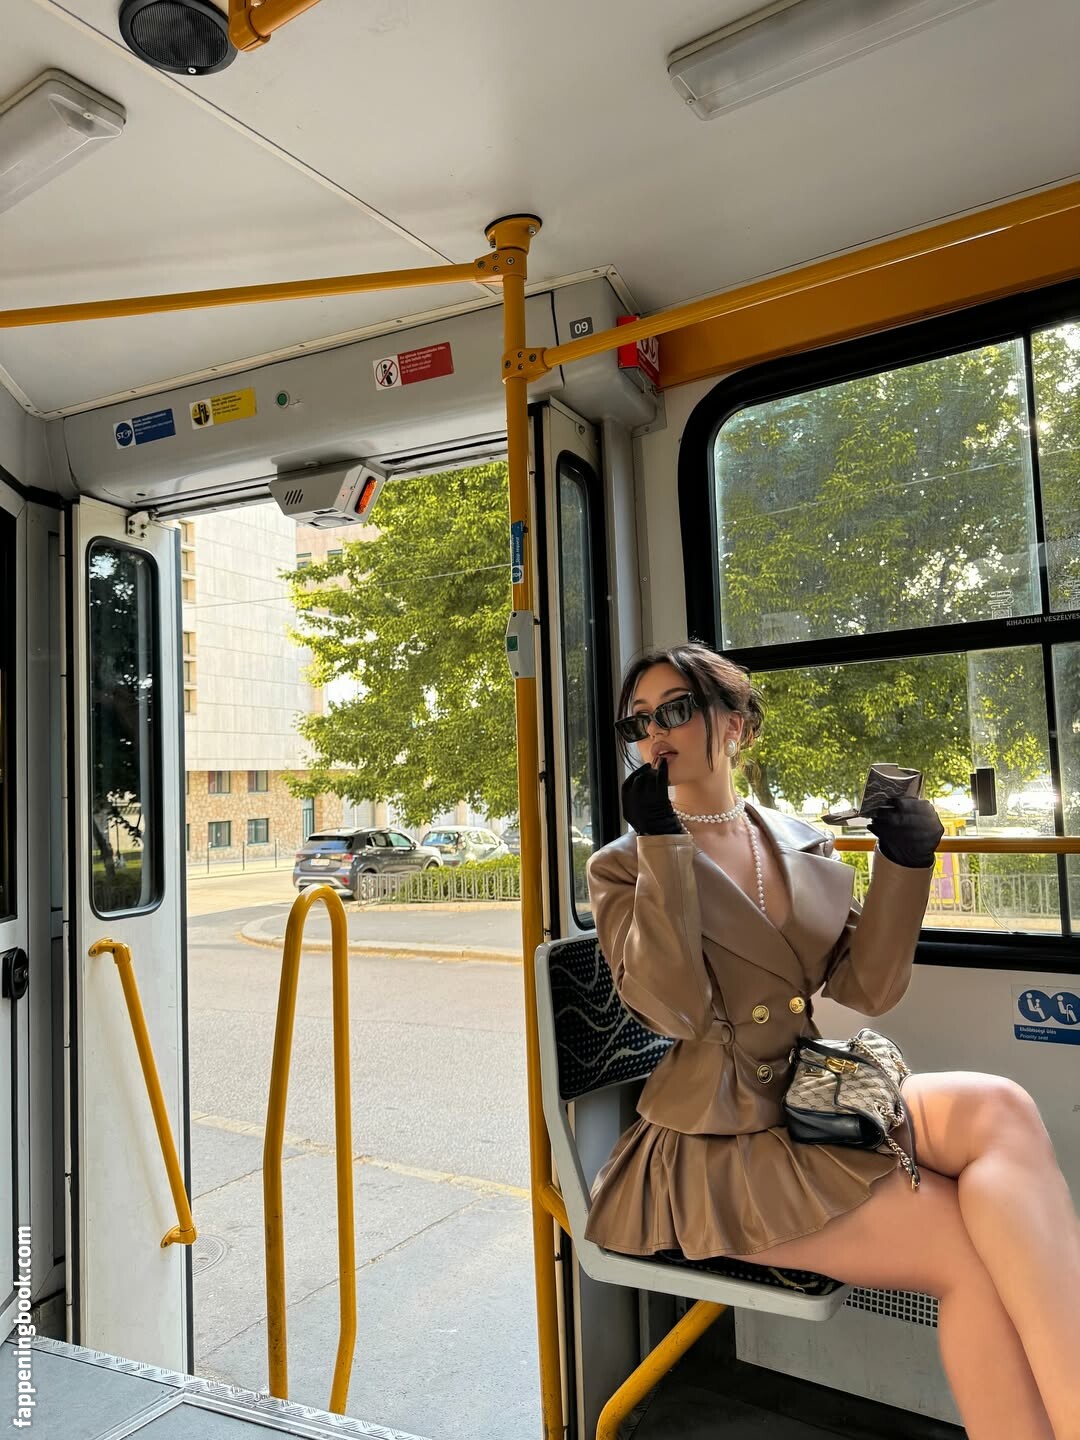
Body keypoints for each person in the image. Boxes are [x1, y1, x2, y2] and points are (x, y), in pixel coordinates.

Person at [585, 642, 1080, 1440]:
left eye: (676, 709)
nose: (655, 733)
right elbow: (671, 1011)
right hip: (715, 1143)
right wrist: (664, 847)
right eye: (637, 721)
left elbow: (866, 988)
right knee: (969, 1257)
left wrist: (904, 862)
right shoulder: (622, 865)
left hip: (810, 1094)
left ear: (737, 726)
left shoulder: (797, 840)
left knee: (1001, 1106)